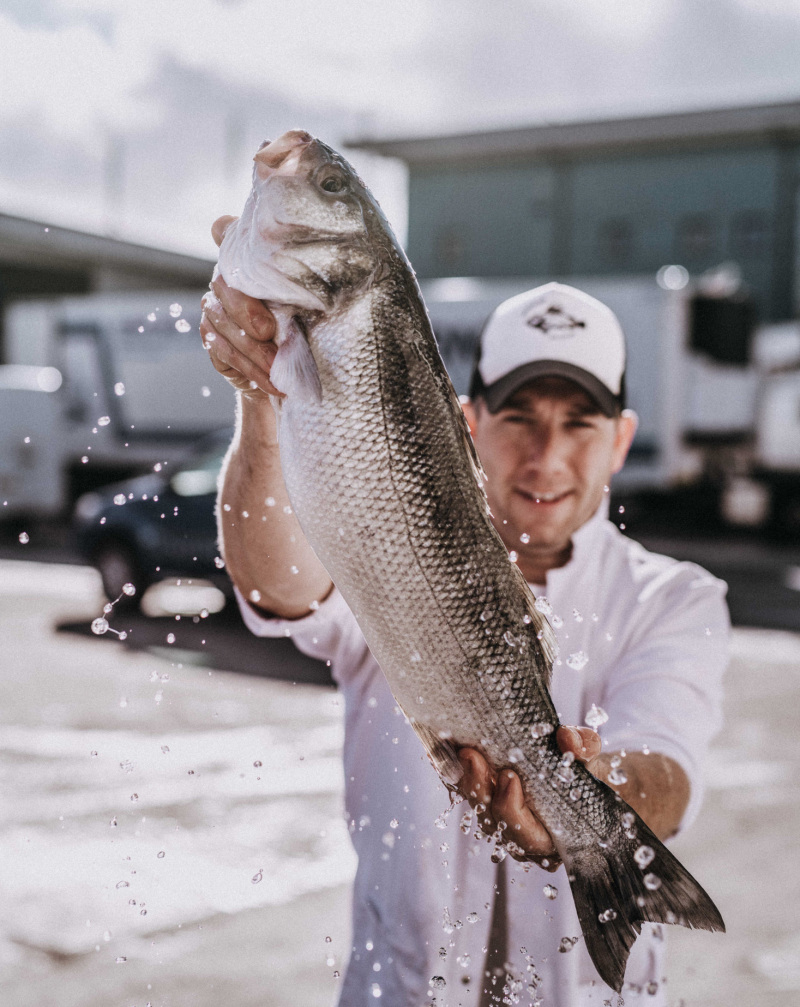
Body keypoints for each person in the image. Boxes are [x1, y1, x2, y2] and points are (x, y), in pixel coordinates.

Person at [200, 231, 729, 1007]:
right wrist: (262, 399)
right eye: (520, 415)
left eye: (579, 422)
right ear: (469, 421)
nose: (547, 454)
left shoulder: (676, 596)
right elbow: (280, 589)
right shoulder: (389, 544)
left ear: (620, 441)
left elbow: (670, 775)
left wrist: (589, 792)